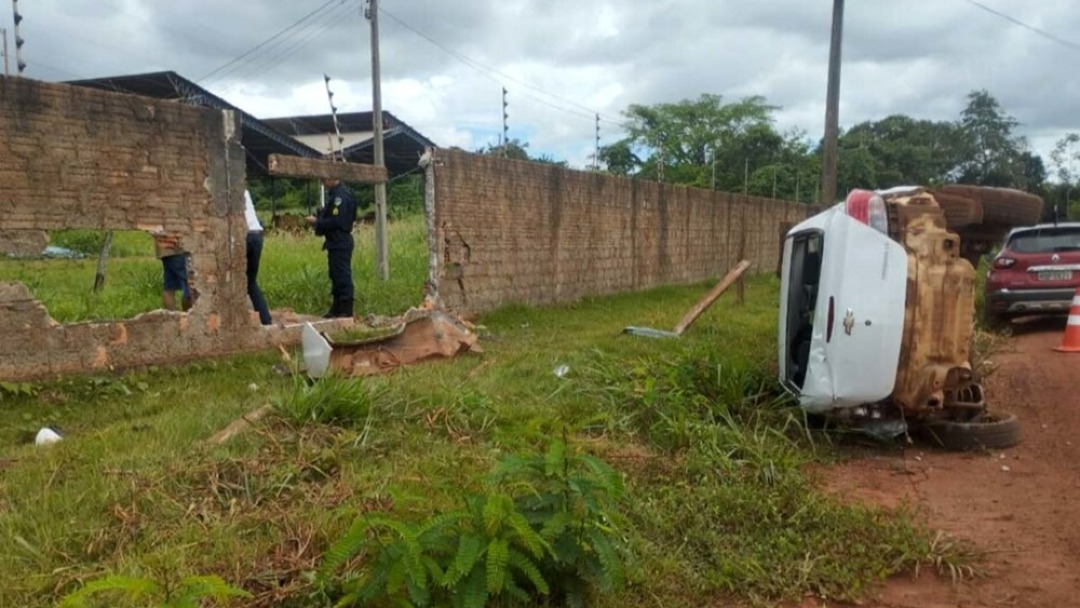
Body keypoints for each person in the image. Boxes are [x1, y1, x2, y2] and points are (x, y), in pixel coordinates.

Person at [306, 177, 357, 318]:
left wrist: (317, 221)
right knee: (335, 275)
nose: (322, 183)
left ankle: (346, 310)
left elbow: (336, 221)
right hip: (335, 241)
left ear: (333, 177)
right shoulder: (336, 195)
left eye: (324, 179)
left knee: (342, 275)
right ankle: (337, 307)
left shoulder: (340, 197)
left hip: (340, 240)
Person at [244, 189, 272, 325]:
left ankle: (236, 321)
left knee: (234, 280)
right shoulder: (244, 190)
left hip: (245, 236)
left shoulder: (226, 191)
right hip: (256, 236)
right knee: (251, 282)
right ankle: (266, 320)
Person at [153, 231, 193, 311]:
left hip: (165, 250)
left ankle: (171, 318)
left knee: (169, 287)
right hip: (178, 247)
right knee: (191, 286)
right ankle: (189, 318)